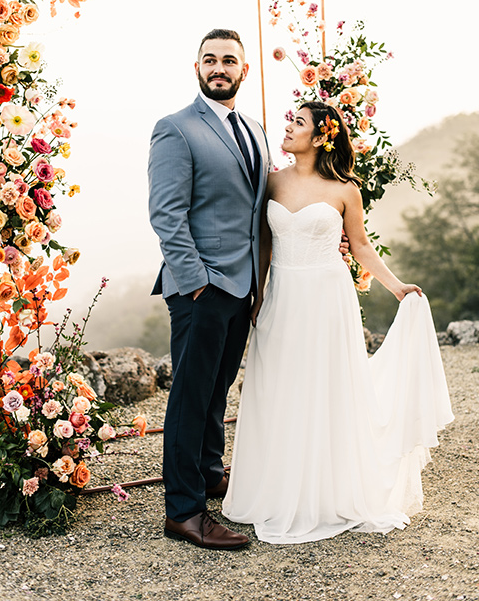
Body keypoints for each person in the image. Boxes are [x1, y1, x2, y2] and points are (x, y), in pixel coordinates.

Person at [222, 101, 454, 544]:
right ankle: (278, 485)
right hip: (283, 297)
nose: (288, 128)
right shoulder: (271, 182)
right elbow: (265, 245)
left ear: (320, 136)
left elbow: (362, 247)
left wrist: (398, 286)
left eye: (298, 123)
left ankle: (328, 490)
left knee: (327, 386)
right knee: (280, 386)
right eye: (289, 121)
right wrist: (258, 294)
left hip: (328, 297)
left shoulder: (346, 189)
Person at [147, 29, 272, 549]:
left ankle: (209, 471)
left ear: (245, 69)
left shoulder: (256, 130)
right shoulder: (175, 129)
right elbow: (166, 214)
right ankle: (185, 511)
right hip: (200, 287)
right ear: (196, 67)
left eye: (229, 60)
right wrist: (197, 283)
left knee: (217, 390)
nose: (219, 67)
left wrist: (258, 284)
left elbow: (256, 212)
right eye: (210, 59)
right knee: (191, 396)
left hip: (242, 287)